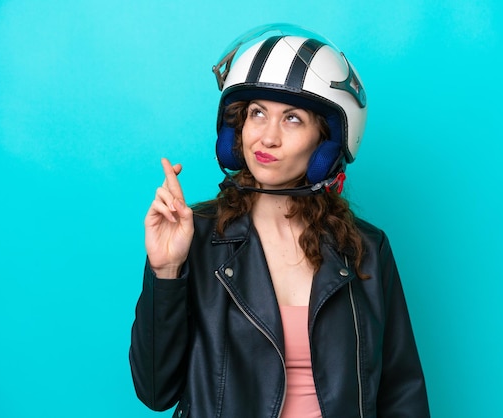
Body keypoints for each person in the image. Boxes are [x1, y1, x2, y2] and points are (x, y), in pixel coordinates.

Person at [129, 23, 430, 418]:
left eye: (292, 119)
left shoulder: (366, 249)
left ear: (326, 144)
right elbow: (155, 392)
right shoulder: (196, 233)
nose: (267, 138)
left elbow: (402, 393)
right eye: (257, 114)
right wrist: (166, 270)